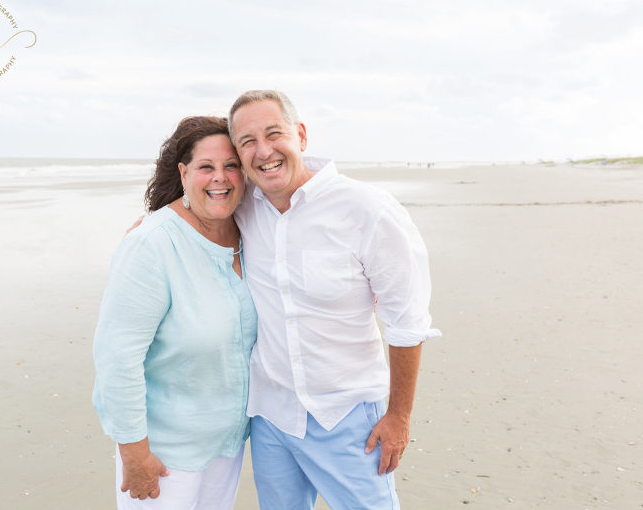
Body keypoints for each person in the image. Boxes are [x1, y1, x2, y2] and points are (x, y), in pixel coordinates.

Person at [227, 90, 441, 509]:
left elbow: (408, 322)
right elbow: (193, 200)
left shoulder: (367, 209)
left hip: (347, 418)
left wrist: (398, 416)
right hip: (270, 418)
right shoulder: (243, 209)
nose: (264, 151)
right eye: (247, 141)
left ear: (301, 135)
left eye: (274, 134)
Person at [92, 116, 257, 509]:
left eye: (231, 165)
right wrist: (134, 454)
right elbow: (118, 358)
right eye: (206, 167)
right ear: (183, 173)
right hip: (163, 455)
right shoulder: (152, 245)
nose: (221, 177)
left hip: (226, 447)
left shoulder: (251, 232)